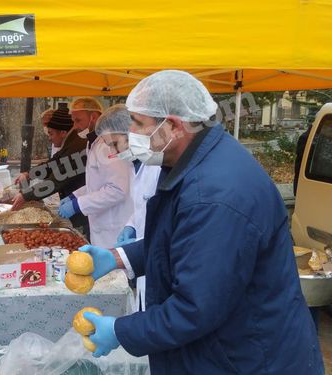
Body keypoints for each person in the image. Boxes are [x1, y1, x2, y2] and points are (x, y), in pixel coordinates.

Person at [78, 70, 323, 374]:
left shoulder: (214, 194)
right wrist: (119, 258)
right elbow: (184, 241)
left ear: (173, 127)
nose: (131, 131)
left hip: (248, 358)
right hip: (227, 348)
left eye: (139, 123)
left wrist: (119, 331)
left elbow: (195, 308)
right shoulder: (195, 161)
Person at [95, 105, 161, 310]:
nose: (114, 152)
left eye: (115, 144)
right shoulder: (138, 165)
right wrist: (131, 225)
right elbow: (141, 205)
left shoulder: (157, 166)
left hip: (156, 258)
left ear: (130, 132)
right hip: (144, 257)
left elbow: (160, 213)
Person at [59, 100, 132, 248]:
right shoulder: (94, 143)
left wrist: (78, 205)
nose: (75, 126)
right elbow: (98, 182)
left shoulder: (110, 145)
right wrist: (76, 195)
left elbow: (117, 189)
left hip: (114, 227)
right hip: (101, 225)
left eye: (78, 120)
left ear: (93, 117)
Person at [12, 107, 89, 238]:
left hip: (83, 209)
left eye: (51, 133)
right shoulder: (71, 144)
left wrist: (26, 195)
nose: (49, 138)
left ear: (63, 132)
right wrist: (29, 174)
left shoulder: (75, 149)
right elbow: (51, 165)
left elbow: (54, 182)